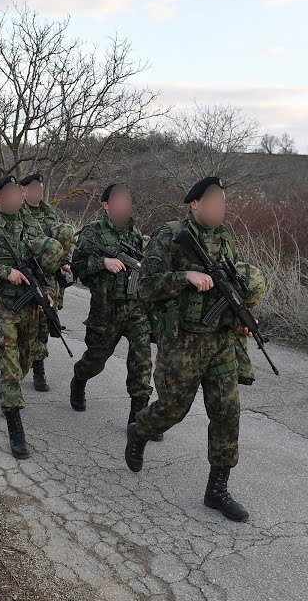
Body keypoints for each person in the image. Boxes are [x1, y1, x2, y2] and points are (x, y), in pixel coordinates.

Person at [124, 177, 268, 523]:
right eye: (215, 201)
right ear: (195, 205)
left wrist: (241, 319)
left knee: (227, 413)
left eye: (224, 202)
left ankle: (217, 489)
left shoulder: (226, 239)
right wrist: (183, 276)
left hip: (220, 343)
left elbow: (231, 288)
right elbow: (144, 287)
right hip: (183, 342)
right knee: (173, 409)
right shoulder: (170, 235)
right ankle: (140, 429)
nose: (221, 207)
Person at [0, 175, 64, 459]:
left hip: (31, 305)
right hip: (2, 306)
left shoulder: (34, 225)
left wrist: (48, 294)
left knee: (25, 362)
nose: (14, 198)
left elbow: (46, 267)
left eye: (17, 193)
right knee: (9, 367)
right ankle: (16, 429)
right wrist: (3, 272)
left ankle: (6, 386)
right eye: (7, 194)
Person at [69, 183, 158, 433]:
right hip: (105, 311)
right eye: (118, 200)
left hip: (135, 309)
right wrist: (103, 262)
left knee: (142, 362)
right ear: (106, 205)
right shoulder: (92, 233)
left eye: (127, 200)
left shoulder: (136, 235)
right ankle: (79, 380)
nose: (124, 204)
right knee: (96, 360)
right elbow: (75, 268)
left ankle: (138, 421)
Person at [17, 172, 74, 392]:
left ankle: (39, 369)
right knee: (26, 326)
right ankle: (15, 367)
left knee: (44, 320)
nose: (37, 192)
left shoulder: (50, 212)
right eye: (32, 188)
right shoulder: (18, 213)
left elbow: (64, 238)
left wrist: (65, 260)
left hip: (48, 275)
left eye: (40, 188)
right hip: (26, 272)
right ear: (23, 191)